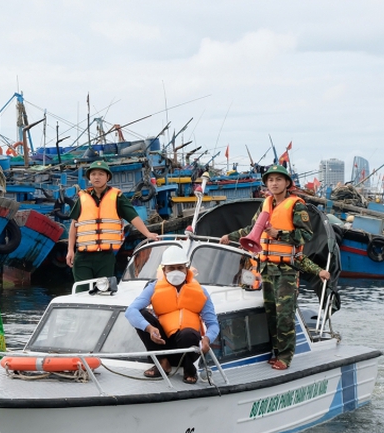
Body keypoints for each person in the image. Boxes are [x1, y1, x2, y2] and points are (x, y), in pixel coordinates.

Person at [219, 164, 331, 371]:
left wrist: (278, 234)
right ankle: (276, 352)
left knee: (284, 315)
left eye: (279, 179)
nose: (274, 183)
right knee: (270, 314)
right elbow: (252, 230)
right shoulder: (266, 204)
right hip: (266, 269)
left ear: (287, 183)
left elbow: (306, 235)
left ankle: (285, 357)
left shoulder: (297, 205)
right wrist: (230, 237)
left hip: (286, 271)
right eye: (270, 180)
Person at [125, 245, 219, 384]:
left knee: (188, 333)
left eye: (180, 268)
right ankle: (163, 363)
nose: (176, 272)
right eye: (171, 268)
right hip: (162, 344)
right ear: (164, 270)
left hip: (188, 347)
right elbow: (131, 311)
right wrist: (149, 328)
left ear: (186, 269)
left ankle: (189, 368)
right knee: (143, 314)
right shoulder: (154, 287)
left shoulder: (201, 292)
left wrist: (207, 339)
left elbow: (213, 324)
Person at [65, 160, 159, 281]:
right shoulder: (83, 198)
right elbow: (74, 225)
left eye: (101, 174)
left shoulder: (117, 197)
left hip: (105, 256)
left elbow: (133, 217)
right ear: (89, 178)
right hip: (83, 256)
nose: (97, 177)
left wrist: (148, 234)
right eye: (93, 174)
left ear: (107, 177)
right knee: (82, 292)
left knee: (103, 292)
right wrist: (70, 250)